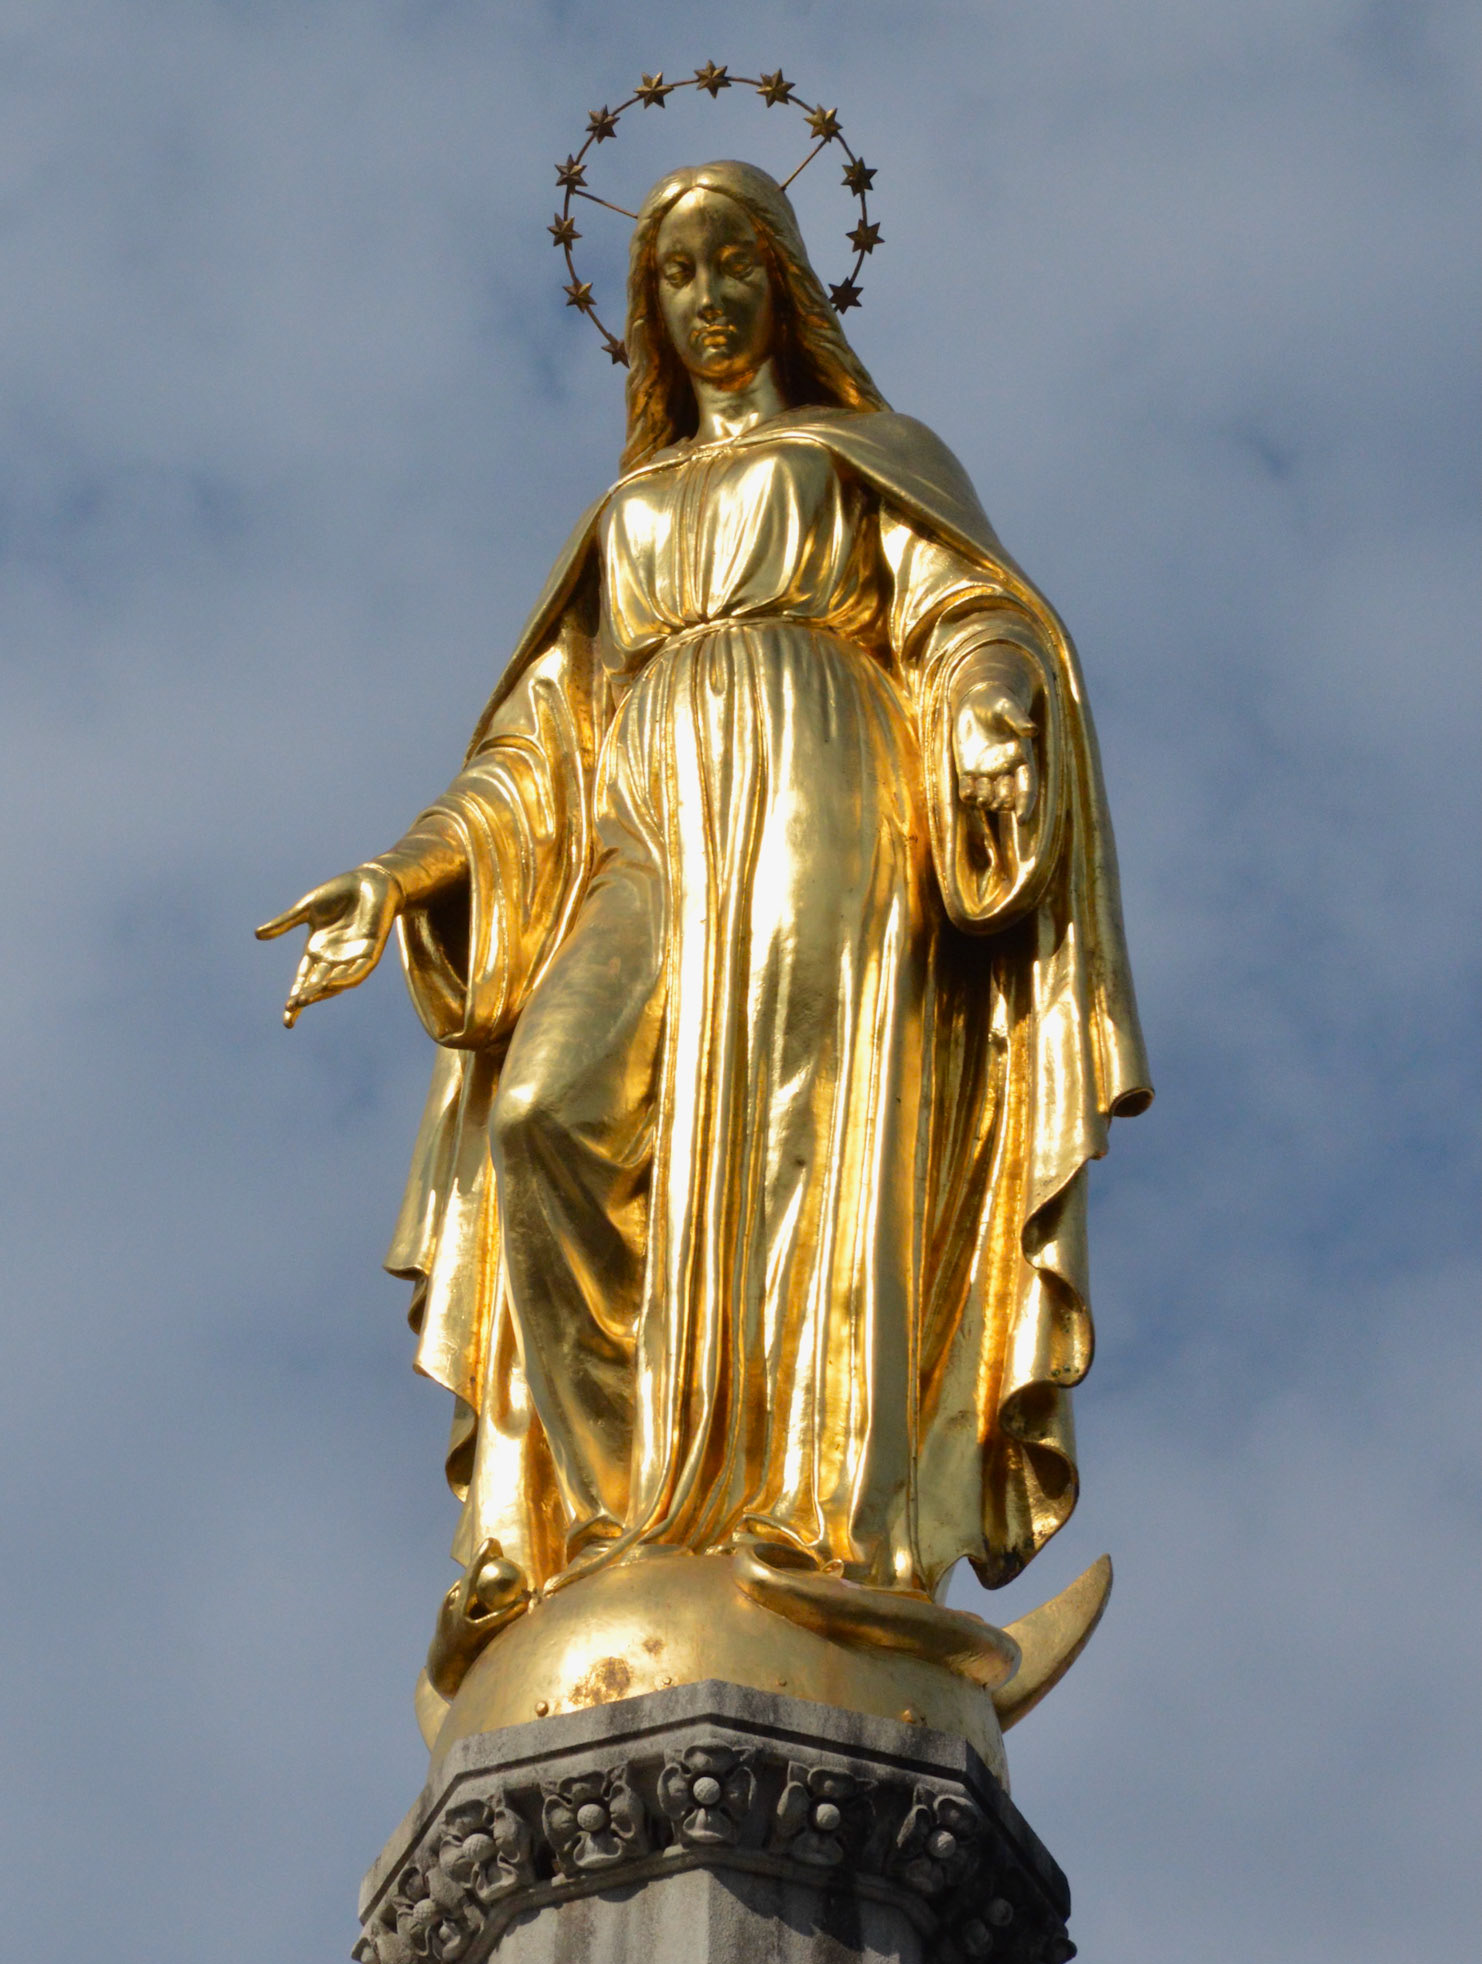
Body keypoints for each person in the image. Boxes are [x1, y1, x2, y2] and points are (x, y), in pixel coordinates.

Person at [259, 160, 1150, 1658]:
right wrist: (404, 871)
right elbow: (534, 752)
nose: (710, 296)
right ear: (648, 313)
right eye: (678, 276)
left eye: (736, 264)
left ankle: (819, 1517)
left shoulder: (868, 451)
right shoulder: (628, 516)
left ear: (785, 285)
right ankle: (600, 1532)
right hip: (639, 822)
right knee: (547, 1112)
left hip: (826, 777)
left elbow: (966, 609)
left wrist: (992, 705)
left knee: (809, 1131)